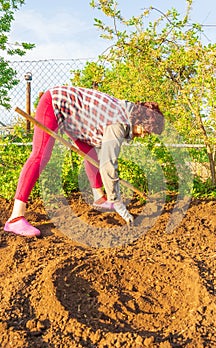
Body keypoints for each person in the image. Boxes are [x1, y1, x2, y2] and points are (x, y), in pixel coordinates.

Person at [4, 86, 164, 237]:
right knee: (41, 155)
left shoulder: (127, 111)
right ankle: (15, 218)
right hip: (55, 103)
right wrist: (118, 203)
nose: (143, 136)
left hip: (75, 119)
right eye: (146, 131)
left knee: (91, 155)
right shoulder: (119, 123)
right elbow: (108, 164)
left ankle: (100, 199)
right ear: (141, 121)